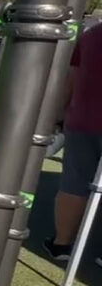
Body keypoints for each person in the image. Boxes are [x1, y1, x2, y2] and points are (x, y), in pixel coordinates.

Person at [44, 21, 102, 263]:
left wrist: (58, 116)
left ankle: (62, 244)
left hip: (83, 120)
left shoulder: (92, 35)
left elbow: (71, 79)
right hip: (83, 120)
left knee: (75, 182)